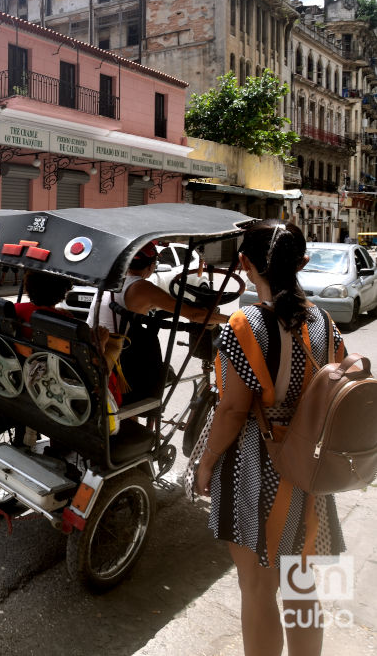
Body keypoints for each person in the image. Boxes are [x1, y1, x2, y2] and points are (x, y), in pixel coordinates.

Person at [195, 221, 346, 656]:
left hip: (254, 469)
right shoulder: (324, 321)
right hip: (307, 468)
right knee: (301, 586)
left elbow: (232, 410)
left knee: (257, 588)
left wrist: (206, 464)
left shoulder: (246, 325)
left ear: (244, 265)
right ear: (302, 263)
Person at [87, 240, 226, 403]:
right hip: (118, 356)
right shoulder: (142, 287)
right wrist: (231, 319)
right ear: (152, 265)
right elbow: (194, 315)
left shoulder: (116, 281)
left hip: (92, 344)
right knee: (163, 371)